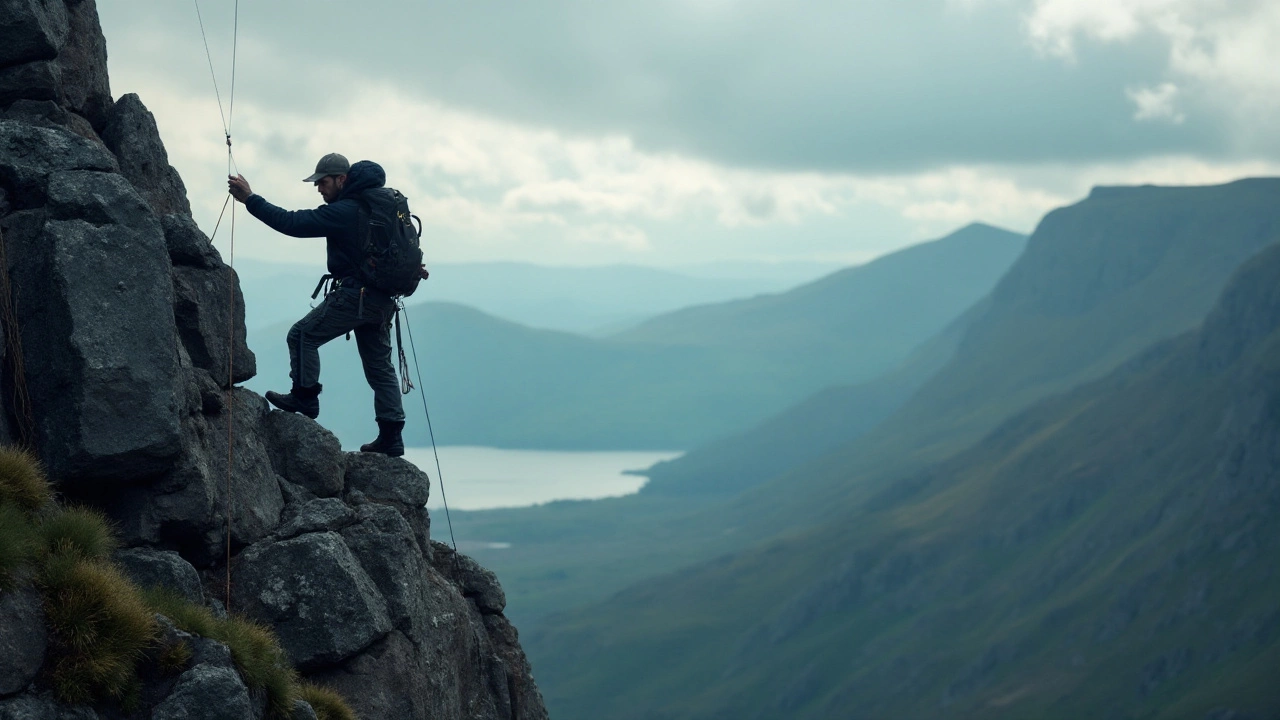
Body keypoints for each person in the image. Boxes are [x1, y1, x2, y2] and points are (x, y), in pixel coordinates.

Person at [228, 153, 406, 456]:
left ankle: (305, 397)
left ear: (341, 180)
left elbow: (292, 223)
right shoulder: (381, 209)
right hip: (381, 299)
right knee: (380, 367)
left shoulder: (347, 211)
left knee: (302, 336)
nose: (318, 189)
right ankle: (391, 437)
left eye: (322, 182)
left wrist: (250, 199)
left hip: (355, 295)